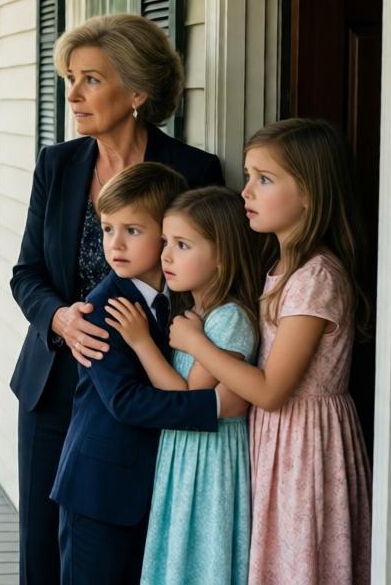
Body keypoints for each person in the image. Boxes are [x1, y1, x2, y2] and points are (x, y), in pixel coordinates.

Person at [8, 13, 224, 583]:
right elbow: (27, 273)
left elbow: (210, 279)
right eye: (71, 78)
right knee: (41, 551)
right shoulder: (57, 165)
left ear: (137, 92)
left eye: (91, 80)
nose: (73, 94)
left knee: (124, 551)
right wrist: (59, 318)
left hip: (147, 388)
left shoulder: (194, 171)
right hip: (53, 381)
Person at [170, 119, 371, 584]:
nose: (246, 193)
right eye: (248, 176)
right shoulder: (280, 266)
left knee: (301, 564)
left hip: (307, 447)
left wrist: (197, 343)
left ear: (310, 193)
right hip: (278, 442)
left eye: (265, 179)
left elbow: (273, 390)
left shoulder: (316, 279)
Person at [48, 163, 222, 585]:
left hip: (151, 490)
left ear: (166, 235)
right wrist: (213, 406)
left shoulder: (181, 299)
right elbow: (125, 400)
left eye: (133, 230)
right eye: (108, 229)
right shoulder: (103, 307)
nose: (116, 244)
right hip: (99, 491)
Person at [106, 186, 262, 584]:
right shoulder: (194, 314)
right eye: (165, 243)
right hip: (185, 453)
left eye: (182, 245)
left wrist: (143, 343)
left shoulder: (228, 319)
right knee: (177, 552)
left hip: (208, 459)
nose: (166, 257)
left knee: (199, 555)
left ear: (223, 254)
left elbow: (188, 397)